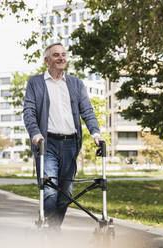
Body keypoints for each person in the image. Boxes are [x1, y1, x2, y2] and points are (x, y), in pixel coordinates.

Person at [23, 42, 104, 229]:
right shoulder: (36, 83)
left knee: (66, 191)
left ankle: (53, 226)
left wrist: (95, 133)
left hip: (70, 144)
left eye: (63, 55)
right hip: (47, 143)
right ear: (47, 60)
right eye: (56, 55)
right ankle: (52, 233)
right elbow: (29, 111)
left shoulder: (76, 83)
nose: (61, 58)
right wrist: (35, 134)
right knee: (50, 191)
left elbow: (87, 110)